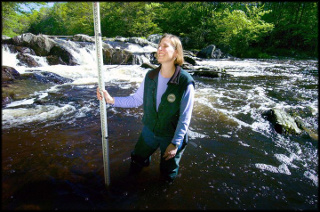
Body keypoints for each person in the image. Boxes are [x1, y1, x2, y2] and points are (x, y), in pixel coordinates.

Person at [97, 33, 195, 182]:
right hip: (149, 130)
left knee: (167, 172)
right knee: (137, 159)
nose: (159, 49)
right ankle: (130, 184)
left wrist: (175, 143)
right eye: (159, 46)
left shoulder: (185, 82)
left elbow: (185, 117)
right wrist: (111, 100)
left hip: (171, 135)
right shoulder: (151, 76)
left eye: (165, 46)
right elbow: (136, 100)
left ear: (176, 53)